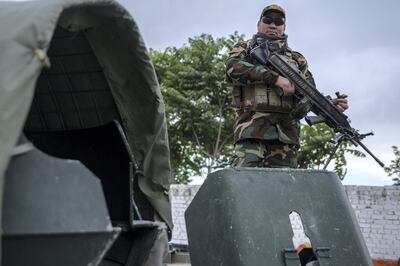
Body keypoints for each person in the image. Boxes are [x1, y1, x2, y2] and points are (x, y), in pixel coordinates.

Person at [226, 4, 348, 168]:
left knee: (284, 188)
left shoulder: (297, 60)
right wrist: (275, 78)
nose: (272, 25)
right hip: (251, 132)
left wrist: (329, 105)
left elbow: (308, 95)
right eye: (267, 20)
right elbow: (233, 68)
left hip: (286, 137)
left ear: (284, 27)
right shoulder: (245, 48)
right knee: (245, 184)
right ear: (259, 24)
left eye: (278, 22)